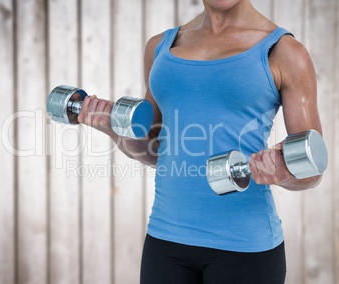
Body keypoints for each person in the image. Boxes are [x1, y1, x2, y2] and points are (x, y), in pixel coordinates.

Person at [77, 0, 323, 283]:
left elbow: (312, 170)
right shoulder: (160, 48)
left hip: (245, 246)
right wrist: (114, 128)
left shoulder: (284, 53)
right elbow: (157, 151)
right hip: (165, 240)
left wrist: (281, 174)